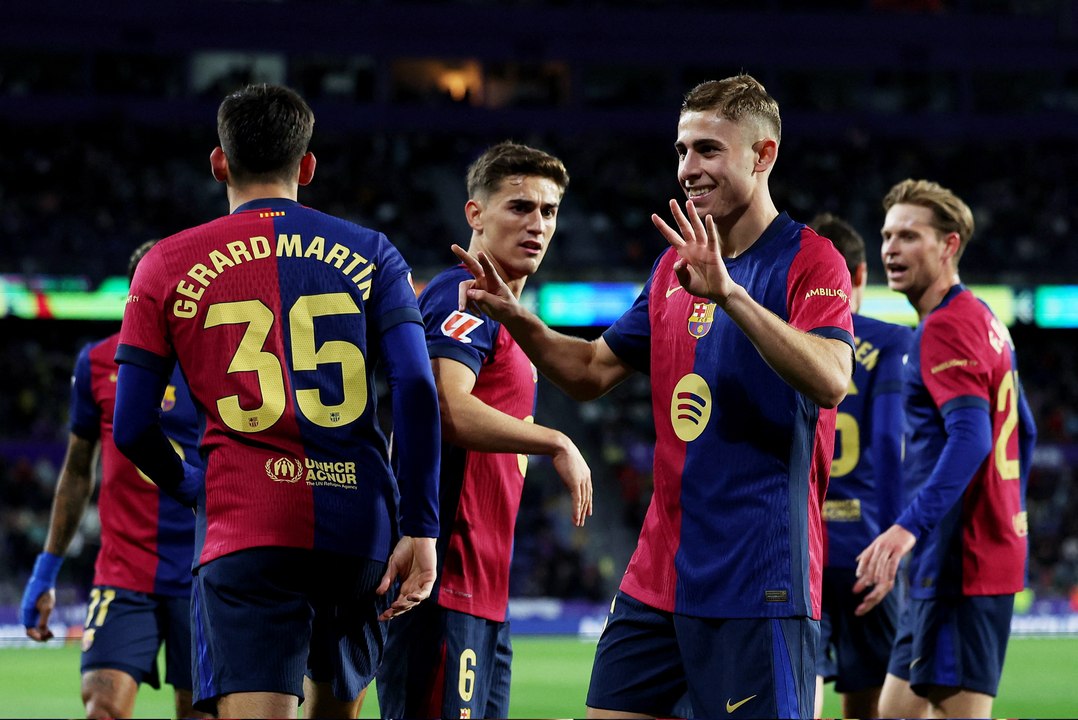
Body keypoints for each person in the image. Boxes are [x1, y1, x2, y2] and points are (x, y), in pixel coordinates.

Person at [454, 73, 854, 718]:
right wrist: (516, 319)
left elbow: (832, 377)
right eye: (682, 150)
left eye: (708, 149)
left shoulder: (810, 260)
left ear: (764, 154)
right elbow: (591, 371)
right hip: (658, 575)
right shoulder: (673, 265)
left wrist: (730, 295)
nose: (688, 168)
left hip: (759, 579)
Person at [110, 83, 441, 719]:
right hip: (358, 527)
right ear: (307, 165)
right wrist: (421, 527)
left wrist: (192, 486)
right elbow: (418, 389)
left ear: (219, 162)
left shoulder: (165, 264)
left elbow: (130, 427)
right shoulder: (374, 252)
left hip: (244, 527)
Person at [376, 141, 593, 719]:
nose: (538, 224)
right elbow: (446, 406)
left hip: (482, 592)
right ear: (475, 213)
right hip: (444, 581)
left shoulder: (506, 315)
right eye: (520, 207)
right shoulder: (463, 293)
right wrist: (556, 440)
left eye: (549, 211)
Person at [854, 179, 1037, 718]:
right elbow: (1024, 430)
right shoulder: (983, 319)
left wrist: (906, 529)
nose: (891, 249)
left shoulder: (945, 329)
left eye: (909, 236)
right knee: (895, 711)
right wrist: (1009, 509)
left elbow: (972, 436)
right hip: (961, 554)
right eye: (887, 235)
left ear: (949, 245)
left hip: (962, 563)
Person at [20, 240, 209, 719]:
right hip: (125, 571)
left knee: (201, 714)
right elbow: (75, 472)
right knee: (103, 709)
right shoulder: (98, 362)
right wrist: (46, 570)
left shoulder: (217, 360)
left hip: (203, 570)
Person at [809, 213, 912, 719]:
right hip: (867, 546)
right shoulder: (892, 343)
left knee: (797, 681)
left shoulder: (782, 342)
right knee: (870, 694)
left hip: (800, 547)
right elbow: (891, 440)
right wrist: (892, 536)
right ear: (862, 274)